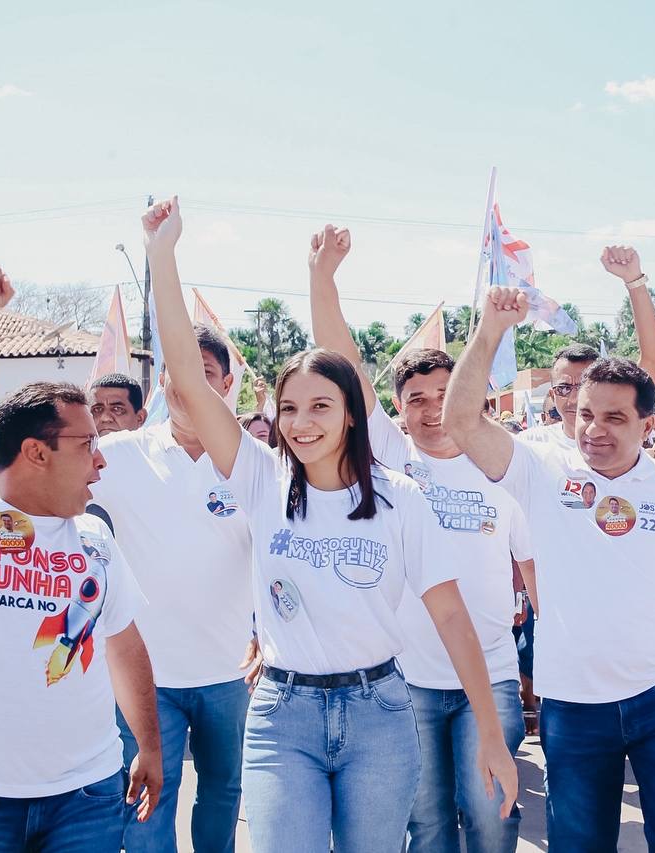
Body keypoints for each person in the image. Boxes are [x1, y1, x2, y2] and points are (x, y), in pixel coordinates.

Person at [143, 198, 516, 851]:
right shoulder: (259, 479)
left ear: (352, 414)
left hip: (381, 714)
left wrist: (491, 732)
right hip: (282, 717)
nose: (301, 421)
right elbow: (186, 374)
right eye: (290, 407)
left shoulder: (401, 497)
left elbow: (453, 619)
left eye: (321, 404)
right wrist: (163, 254)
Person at [443, 285, 655, 852]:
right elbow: (460, 419)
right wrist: (489, 330)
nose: (594, 429)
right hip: (572, 706)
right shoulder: (538, 468)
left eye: (613, 417)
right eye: (584, 414)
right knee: (580, 844)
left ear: (647, 423)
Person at [0, 264, 161, 851]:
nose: (102, 460)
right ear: (34, 452)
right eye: (86, 445)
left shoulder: (96, 541)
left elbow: (124, 645)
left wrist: (148, 746)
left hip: (89, 797)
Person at [306, 223, 531, 853]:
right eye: (416, 398)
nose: (432, 409)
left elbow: (537, 574)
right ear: (395, 409)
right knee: (426, 826)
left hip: (491, 675)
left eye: (444, 395)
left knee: (491, 819)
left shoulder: (506, 465)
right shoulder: (387, 456)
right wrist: (324, 278)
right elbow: (345, 360)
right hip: (404, 683)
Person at [86, 323, 256, 853]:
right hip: (146, 678)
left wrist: (269, 636)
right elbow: (40, 496)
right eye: (179, 373)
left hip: (230, 674)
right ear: (161, 381)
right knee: (146, 802)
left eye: (203, 374)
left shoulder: (252, 464)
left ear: (227, 384)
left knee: (224, 795)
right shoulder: (116, 455)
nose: (190, 385)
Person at [519, 246, 655, 450]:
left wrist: (634, 280)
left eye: (584, 387)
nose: (574, 398)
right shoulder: (532, 446)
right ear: (552, 395)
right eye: (563, 388)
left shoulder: (621, 438)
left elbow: (653, 356)